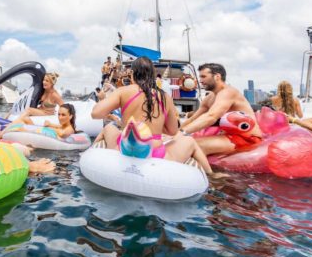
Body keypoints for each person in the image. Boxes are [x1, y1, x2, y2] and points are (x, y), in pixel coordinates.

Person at [91, 57, 221, 177]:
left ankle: (90, 156)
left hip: (123, 148)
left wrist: (105, 101)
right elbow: (173, 131)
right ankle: (211, 175)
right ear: (153, 75)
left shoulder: (123, 91)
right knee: (191, 142)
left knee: (108, 128)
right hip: (155, 152)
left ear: (132, 74)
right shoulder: (165, 97)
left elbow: (95, 114)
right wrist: (157, 128)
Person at [180, 63, 262, 157]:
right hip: (227, 137)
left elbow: (211, 116)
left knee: (190, 145)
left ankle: (209, 172)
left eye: (203, 76)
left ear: (217, 77)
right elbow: (192, 119)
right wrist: (175, 133)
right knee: (182, 143)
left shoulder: (228, 92)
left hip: (247, 138)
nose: (200, 80)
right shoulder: (209, 98)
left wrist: (182, 133)